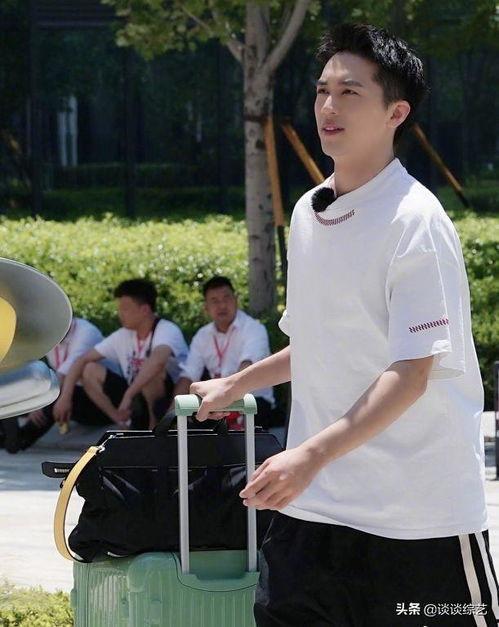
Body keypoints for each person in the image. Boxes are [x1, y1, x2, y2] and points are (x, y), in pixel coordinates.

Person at [190, 23, 499, 626]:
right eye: (321, 91)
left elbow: (411, 374)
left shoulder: (417, 220)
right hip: (315, 511)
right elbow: (318, 343)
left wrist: (307, 456)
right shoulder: (310, 212)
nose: (328, 107)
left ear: (395, 113)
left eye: (350, 93)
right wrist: (234, 385)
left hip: (418, 521)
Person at [53, 278, 188, 430]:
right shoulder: (123, 334)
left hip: (169, 399)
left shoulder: (167, 329)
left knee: (151, 374)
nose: (120, 314)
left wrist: (128, 395)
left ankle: (156, 429)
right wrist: (65, 396)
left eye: (125, 309)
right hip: (135, 397)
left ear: (144, 310)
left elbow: (157, 361)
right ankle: (121, 421)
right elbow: (81, 360)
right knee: (88, 369)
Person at [172, 276, 274, 428]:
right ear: (206, 308)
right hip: (218, 400)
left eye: (227, 298)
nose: (222, 305)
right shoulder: (202, 336)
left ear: (236, 300)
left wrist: (226, 396)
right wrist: (173, 413)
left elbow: (247, 367)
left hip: (252, 400)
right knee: (190, 422)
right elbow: (189, 376)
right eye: (214, 301)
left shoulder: (254, 329)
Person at [0, 316, 108, 452]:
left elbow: (65, 373)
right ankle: (5, 434)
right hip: (68, 391)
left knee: (53, 397)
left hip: (99, 399)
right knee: (15, 387)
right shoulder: (53, 336)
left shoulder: (86, 332)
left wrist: (38, 402)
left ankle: (19, 439)